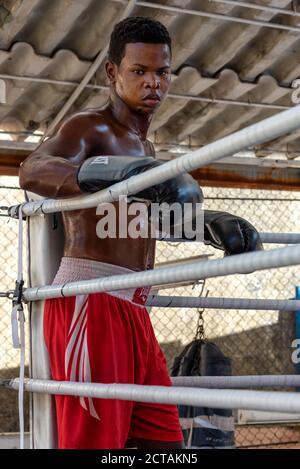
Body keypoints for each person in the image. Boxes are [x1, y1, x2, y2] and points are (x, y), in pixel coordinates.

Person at [19, 16, 262, 449]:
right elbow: (33, 169)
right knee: (96, 445)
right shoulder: (90, 126)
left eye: (162, 72)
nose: (154, 83)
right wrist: (116, 173)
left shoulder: (145, 148)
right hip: (90, 304)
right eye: (140, 71)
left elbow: (142, 221)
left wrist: (208, 224)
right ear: (113, 73)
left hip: (134, 308)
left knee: (165, 444)